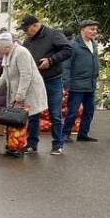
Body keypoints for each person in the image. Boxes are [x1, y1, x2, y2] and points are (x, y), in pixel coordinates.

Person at [19, 15, 74, 154]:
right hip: (36, 81)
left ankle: (57, 145)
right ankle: (32, 144)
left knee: (55, 113)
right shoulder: (28, 41)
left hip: (53, 79)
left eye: (26, 29)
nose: (25, 32)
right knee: (33, 113)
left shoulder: (53, 34)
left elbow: (68, 50)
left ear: (35, 25)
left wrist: (51, 60)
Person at [0, 32, 47, 156]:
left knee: (26, 118)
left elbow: (26, 75)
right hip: (16, 90)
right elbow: (4, 76)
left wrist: (20, 96)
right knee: (15, 119)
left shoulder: (21, 53)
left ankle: (26, 146)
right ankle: (13, 145)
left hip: (29, 91)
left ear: (6, 46)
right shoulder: (7, 54)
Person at [61, 19, 101, 143]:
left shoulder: (93, 44)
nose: (94, 32)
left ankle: (83, 134)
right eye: (91, 29)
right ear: (83, 30)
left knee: (89, 111)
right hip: (76, 84)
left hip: (90, 83)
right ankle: (65, 134)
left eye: (95, 29)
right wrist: (66, 83)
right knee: (73, 110)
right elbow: (66, 65)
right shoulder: (73, 45)